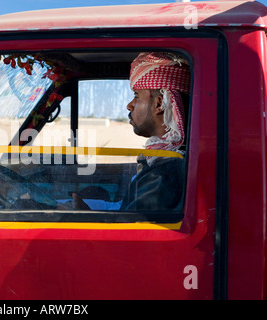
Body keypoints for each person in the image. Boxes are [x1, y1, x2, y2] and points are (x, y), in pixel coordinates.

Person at [72, 51, 191, 211]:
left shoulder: (165, 173)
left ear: (159, 103)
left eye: (137, 96)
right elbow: (127, 209)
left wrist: (83, 214)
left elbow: (133, 227)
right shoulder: (162, 160)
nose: (129, 105)